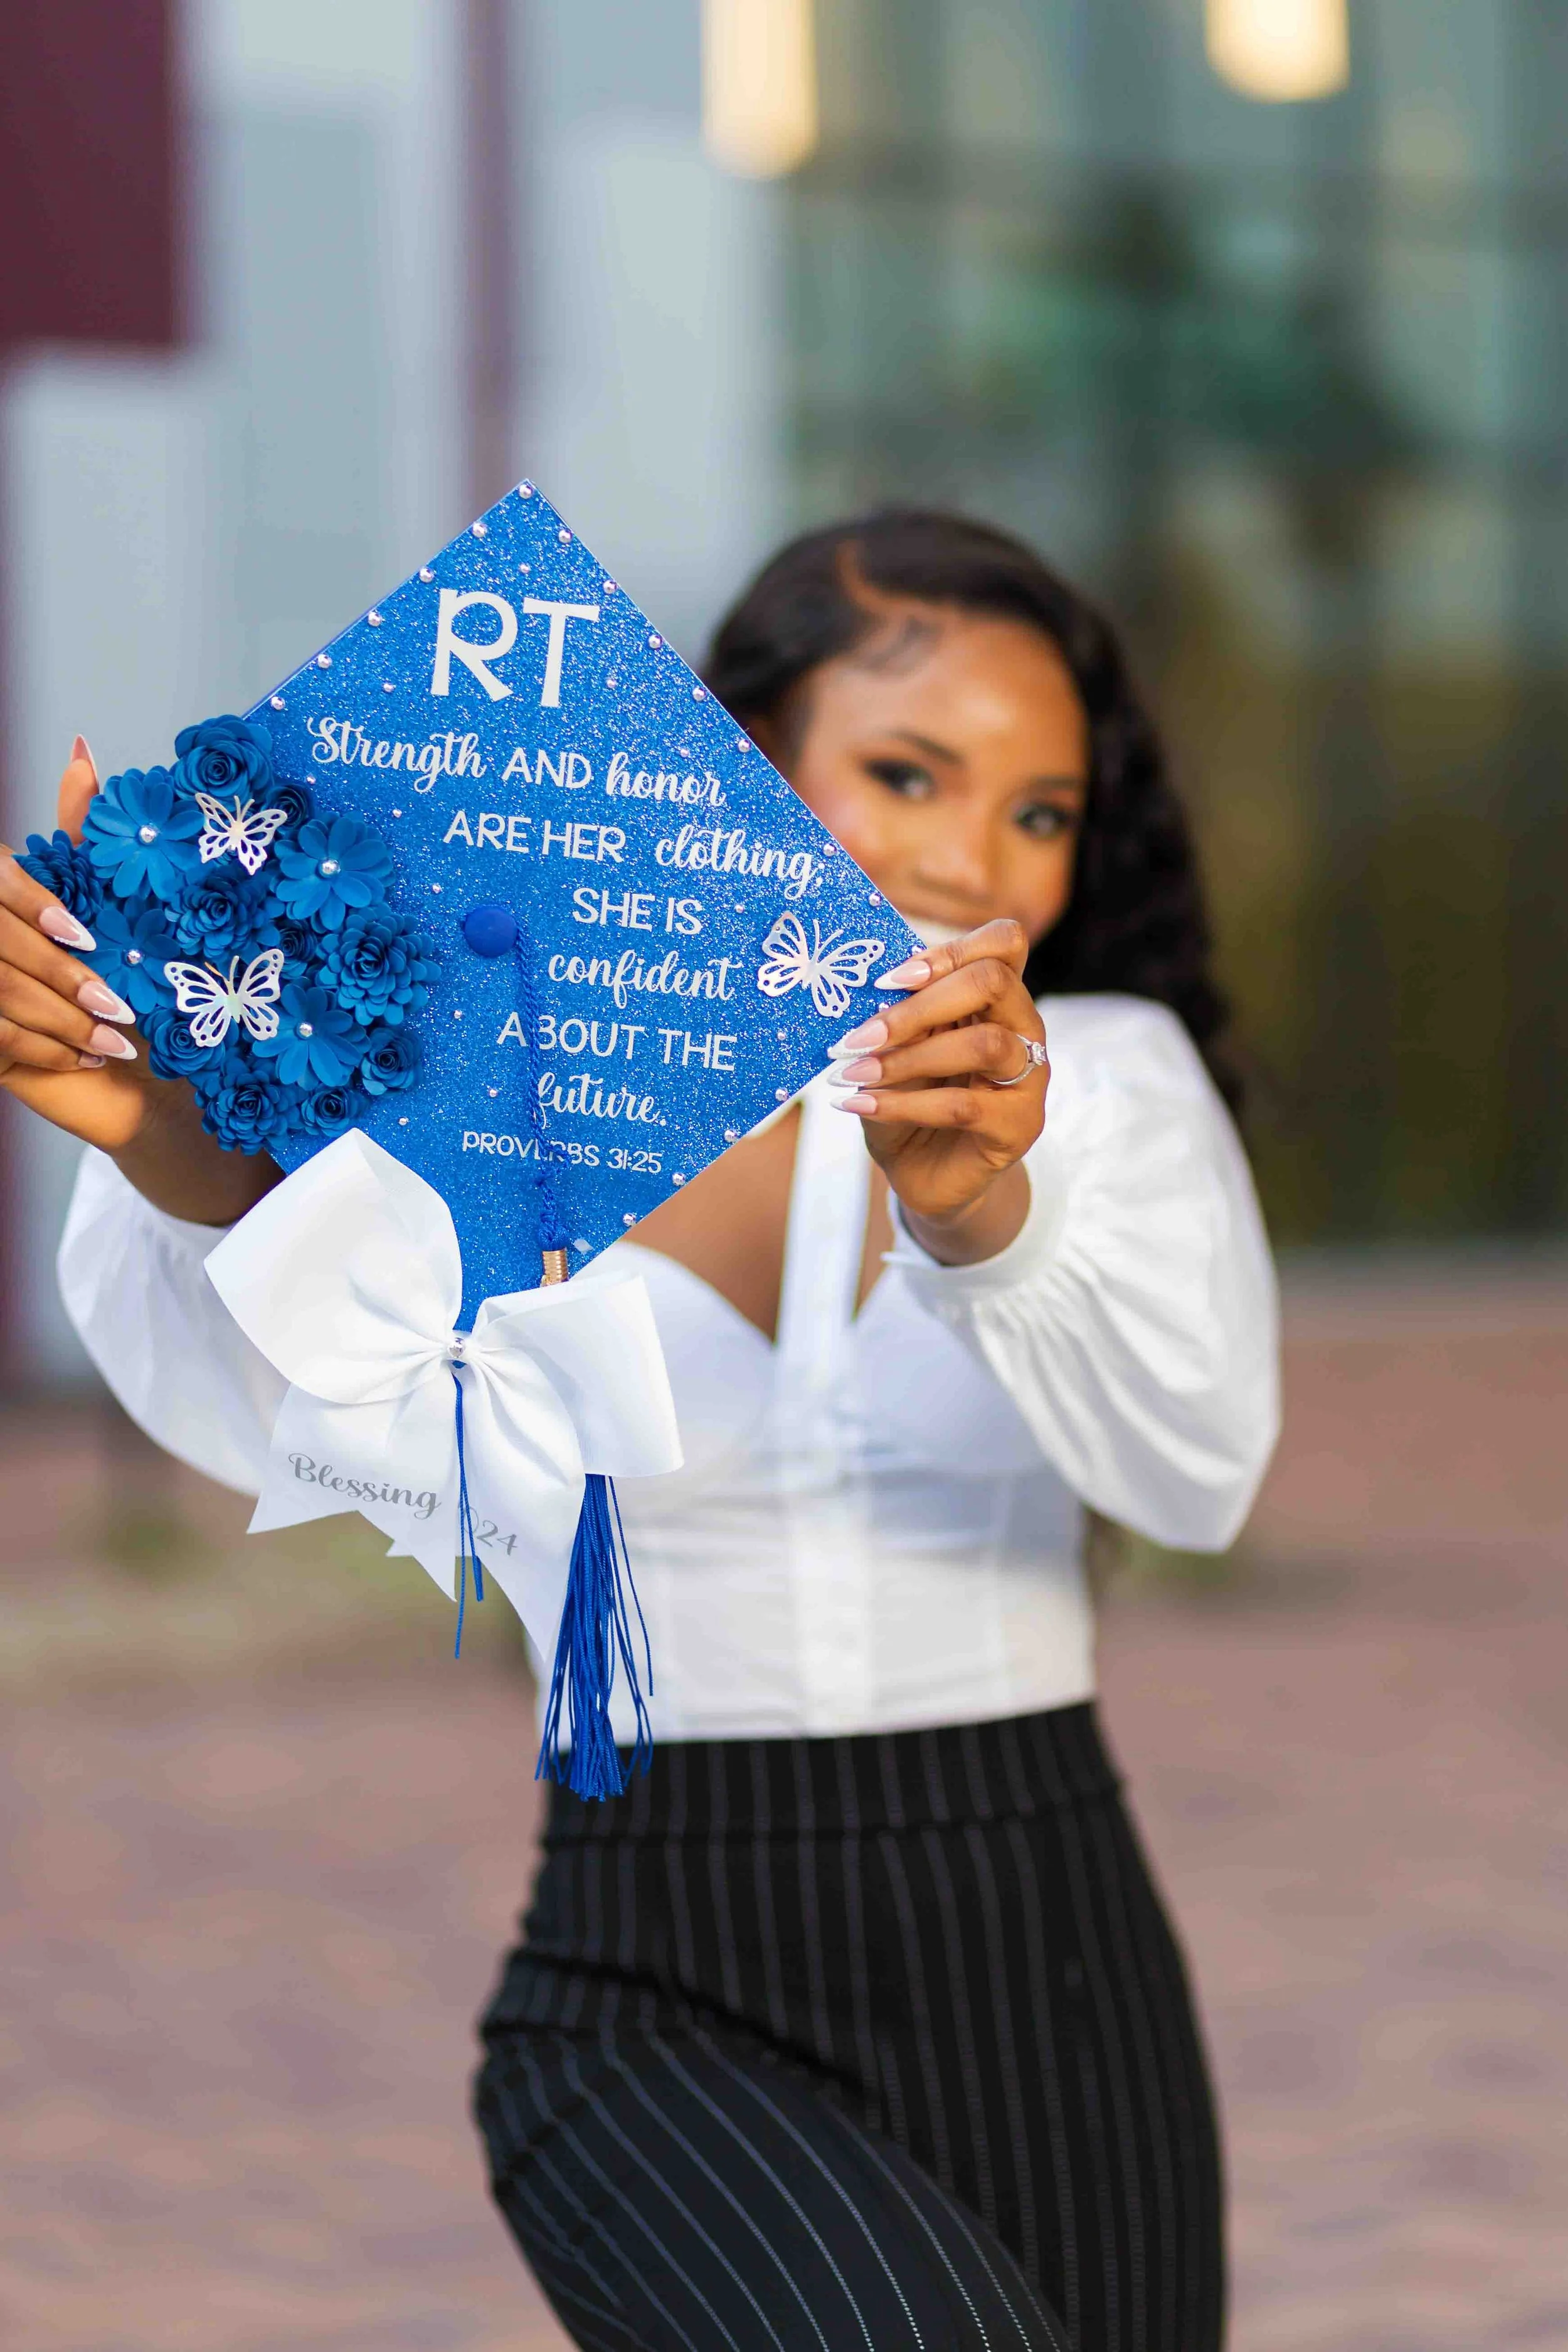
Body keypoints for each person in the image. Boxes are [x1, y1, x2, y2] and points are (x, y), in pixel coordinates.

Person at [1, 510, 1278, 2351]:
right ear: (738, 759)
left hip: (1052, 1952)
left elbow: (1202, 1470)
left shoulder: (1099, 1084)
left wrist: (984, 1214)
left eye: (1041, 813)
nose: (962, 855)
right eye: (904, 769)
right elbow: (305, 1414)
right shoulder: (521, 1083)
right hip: (651, 1962)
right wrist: (171, 1134)